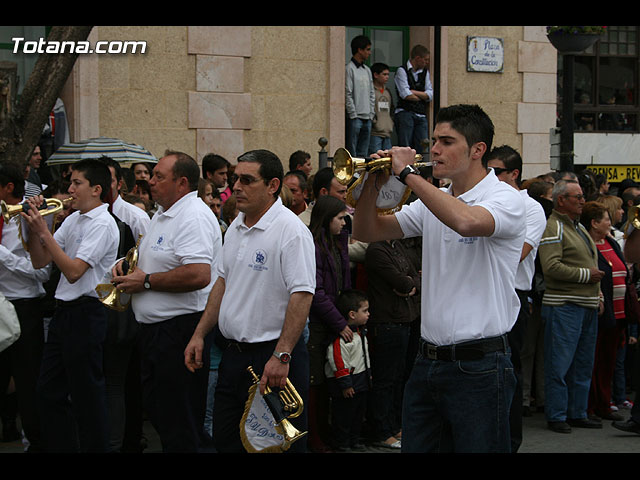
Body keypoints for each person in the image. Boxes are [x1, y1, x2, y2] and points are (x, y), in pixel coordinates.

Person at [352, 104, 525, 453]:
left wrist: (409, 175)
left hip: (480, 366)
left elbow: (467, 222)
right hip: (427, 361)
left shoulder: (505, 198)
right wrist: (373, 182)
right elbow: (366, 230)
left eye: (447, 141)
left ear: (478, 150)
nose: (434, 149)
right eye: (434, 140)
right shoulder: (437, 200)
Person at [184, 149, 315, 453]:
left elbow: (302, 295)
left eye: (246, 180)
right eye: (234, 179)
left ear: (272, 185)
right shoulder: (236, 227)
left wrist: (282, 356)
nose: (237, 187)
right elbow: (222, 282)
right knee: (227, 442)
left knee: (277, 448)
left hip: (273, 359)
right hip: (233, 357)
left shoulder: (291, 231)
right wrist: (200, 334)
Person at [111, 151, 222, 453]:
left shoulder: (193, 216)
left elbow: (199, 274)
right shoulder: (162, 213)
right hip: (157, 333)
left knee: (181, 422)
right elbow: (159, 262)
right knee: (164, 416)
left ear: (182, 183)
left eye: (160, 176)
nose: (151, 181)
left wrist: (145, 281)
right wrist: (128, 266)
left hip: (179, 332)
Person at [22, 158, 120, 452]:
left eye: (77, 183)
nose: (70, 189)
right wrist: (39, 224)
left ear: (96, 189)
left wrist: (44, 231)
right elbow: (41, 260)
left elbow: (74, 271)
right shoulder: (75, 219)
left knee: (87, 395)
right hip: (65, 313)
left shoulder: (103, 223)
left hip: (87, 314)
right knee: (48, 391)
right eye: (71, 182)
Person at [485, 145, 547, 452]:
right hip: (485, 290)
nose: (491, 177)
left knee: (507, 370)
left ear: (515, 174)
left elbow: (517, 254)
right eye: (488, 171)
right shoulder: (486, 199)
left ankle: (508, 442)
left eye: (497, 172)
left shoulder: (531, 208)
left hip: (514, 293)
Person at [538, 179, 604, 433]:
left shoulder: (577, 227)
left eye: (582, 196)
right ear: (561, 200)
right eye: (577, 197)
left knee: (582, 363)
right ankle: (557, 415)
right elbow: (551, 266)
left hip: (584, 304)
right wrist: (586, 276)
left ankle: (577, 412)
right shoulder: (554, 226)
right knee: (560, 364)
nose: (582, 201)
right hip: (564, 305)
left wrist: (597, 297)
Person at [99, 156, 150, 453]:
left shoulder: (134, 216)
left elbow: (144, 259)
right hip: (97, 307)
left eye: (108, 179)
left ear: (119, 183)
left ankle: (131, 439)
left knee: (127, 380)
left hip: (126, 308)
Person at [0, 161, 51, 452]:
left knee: (28, 380)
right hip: (0, 305)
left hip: (23, 308)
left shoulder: (30, 218)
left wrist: (3, 256)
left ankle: (35, 442)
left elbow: (42, 272)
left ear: (9, 188)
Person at [364, 237, 421, 450]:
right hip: (387, 321)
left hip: (406, 320)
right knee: (385, 379)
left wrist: (412, 284)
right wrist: (411, 283)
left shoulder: (398, 246)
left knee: (400, 377)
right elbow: (404, 282)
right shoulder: (377, 250)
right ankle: (381, 430)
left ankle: (395, 425)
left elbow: (416, 278)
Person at [307, 194, 352, 452]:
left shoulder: (336, 243)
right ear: (326, 219)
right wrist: (340, 322)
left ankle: (325, 433)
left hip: (332, 321)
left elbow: (342, 284)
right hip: (318, 324)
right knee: (315, 382)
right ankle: (315, 437)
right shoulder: (314, 246)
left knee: (328, 379)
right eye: (340, 218)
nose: (344, 223)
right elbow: (317, 292)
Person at [579, 201, 628, 422]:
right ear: (594, 223)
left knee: (609, 360)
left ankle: (605, 402)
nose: (610, 223)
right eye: (606, 219)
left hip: (619, 312)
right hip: (602, 310)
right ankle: (591, 405)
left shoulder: (611, 242)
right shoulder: (589, 245)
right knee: (594, 360)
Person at [324, 289, 371, 452]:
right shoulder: (342, 338)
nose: (368, 314)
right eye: (365, 311)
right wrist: (345, 384)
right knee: (344, 416)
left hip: (360, 382)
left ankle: (354, 439)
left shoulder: (361, 333)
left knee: (358, 415)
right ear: (352, 314)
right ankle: (341, 442)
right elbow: (338, 360)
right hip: (346, 385)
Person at [394, 45, 433, 155]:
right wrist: (422, 96)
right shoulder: (402, 71)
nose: (427, 62)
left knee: (423, 145)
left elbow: (430, 94)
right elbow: (405, 94)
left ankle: (421, 169)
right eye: (425, 60)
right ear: (417, 58)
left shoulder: (425, 72)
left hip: (421, 114)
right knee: (405, 146)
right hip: (405, 113)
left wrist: (413, 91)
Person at [345, 35, 375, 158]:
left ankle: (361, 176)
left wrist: (371, 113)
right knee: (353, 152)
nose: (369, 52)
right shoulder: (349, 69)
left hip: (367, 116)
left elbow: (371, 93)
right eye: (367, 49)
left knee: (364, 153)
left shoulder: (367, 70)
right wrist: (353, 114)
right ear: (359, 50)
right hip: (355, 117)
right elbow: (348, 92)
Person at [368, 62, 394, 155]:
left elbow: (391, 109)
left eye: (388, 74)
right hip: (375, 132)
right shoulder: (371, 91)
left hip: (387, 131)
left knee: (388, 159)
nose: (387, 77)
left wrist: (391, 122)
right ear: (376, 75)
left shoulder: (387, 91)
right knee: (375, 157)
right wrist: (374, 122)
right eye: (384, 74)